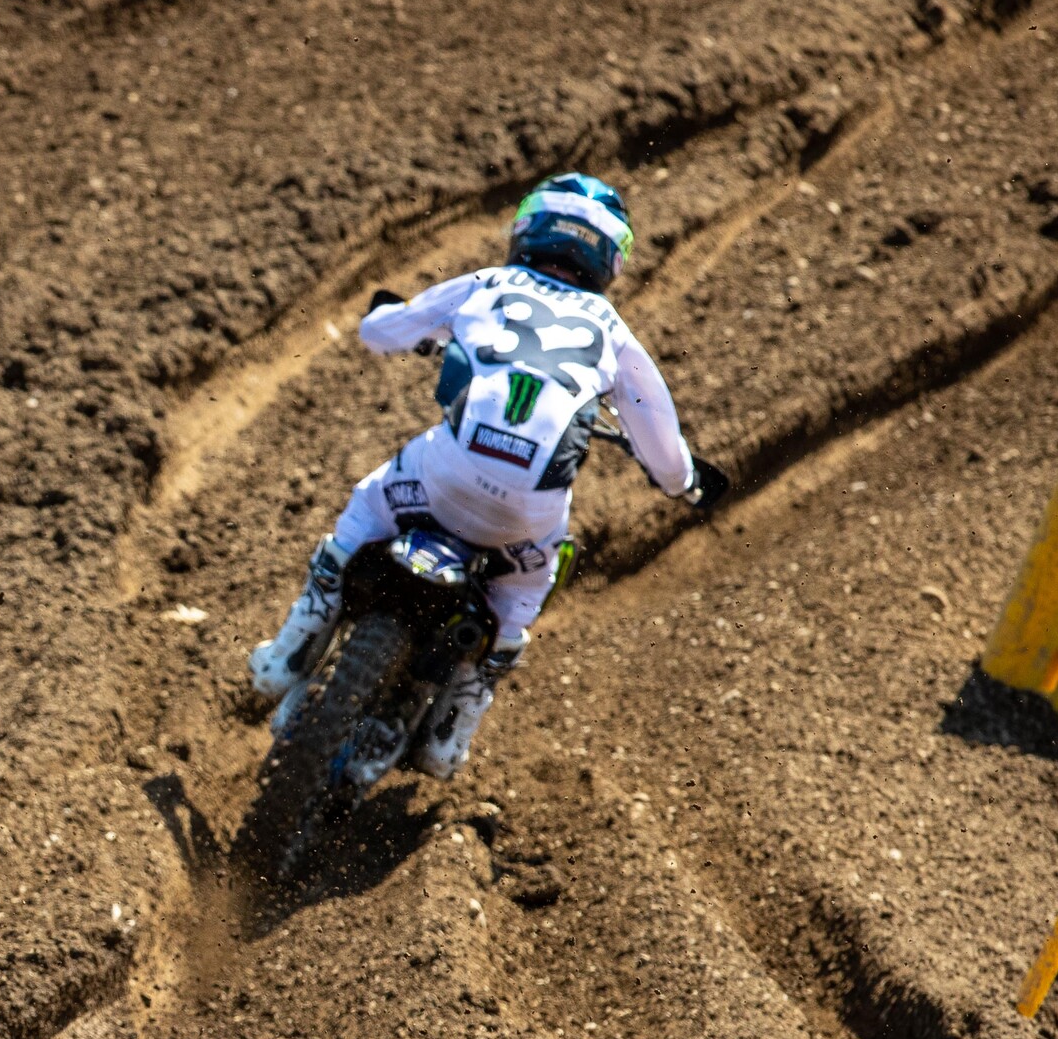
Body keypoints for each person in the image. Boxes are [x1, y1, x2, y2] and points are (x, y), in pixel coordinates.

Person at [247, 172, 723, 777]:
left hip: (441, 479)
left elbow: (380, 332)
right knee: (519, 597)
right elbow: (665, 452)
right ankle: (457, 721)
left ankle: (297, 641)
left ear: (529, 227)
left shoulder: (488, 283)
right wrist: (686, 485)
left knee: (366, 509)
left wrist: (396, 320)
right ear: (611, 256)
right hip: (525, 518)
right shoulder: (615, 336)